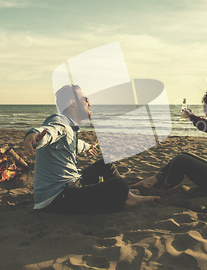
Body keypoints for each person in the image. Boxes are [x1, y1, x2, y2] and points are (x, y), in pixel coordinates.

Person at [24, 84, 158, 214]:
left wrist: (89, 147)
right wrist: (34, 135)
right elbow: (50, 132)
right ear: (73, 103)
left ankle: (126, 194)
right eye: (86, 100)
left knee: (106, 165)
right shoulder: (60, 121)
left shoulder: (70, 128)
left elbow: (76, 144)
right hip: (56, 198)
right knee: (118, 185)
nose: (90, 104)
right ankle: (128, 198)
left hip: (71, 184)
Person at [132, 73, 207, 194]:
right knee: (183, 155)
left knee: (181, 160)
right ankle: (154, 180)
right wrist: (192, 117)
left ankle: (166, 186)